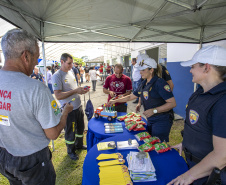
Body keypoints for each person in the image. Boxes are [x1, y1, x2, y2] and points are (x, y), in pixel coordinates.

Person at [0, 28, 73, 185]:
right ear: (26, 56)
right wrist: (65, 112)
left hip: (4, 156)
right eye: (36, 58)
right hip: (32, 161)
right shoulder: (36, 88)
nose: (36, 63)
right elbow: (53, 133)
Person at [168, 45, 226, 185]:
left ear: (206, 67)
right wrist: (186, 144)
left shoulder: (222, 101)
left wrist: (189, 175)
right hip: (193, 165)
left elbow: (222, 155)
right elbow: (200, 126)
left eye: (193, 66)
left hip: (209, 175)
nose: (190, 70)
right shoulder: (200, 92)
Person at [108, 57, 176, 142]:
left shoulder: (160, 83)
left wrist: (154, 110)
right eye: (140, 70)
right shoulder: (144, 83)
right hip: (151, 119)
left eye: (143, 70)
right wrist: (115, 100)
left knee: (159, 145)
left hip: (162, 120)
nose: (140, 72)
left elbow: (172, 103)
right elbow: (131, 96)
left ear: (151, 70)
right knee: (151, 143)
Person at [52, 53, 89, 161]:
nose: (71, 65)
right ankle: (71, 151)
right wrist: (75, 91)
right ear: (62, 62)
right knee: (70, 131)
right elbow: (58, 95)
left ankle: (79, 145)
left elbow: (74, 88)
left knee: (80, 128)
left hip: (78, 106)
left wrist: (80, 90)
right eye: (69, 63)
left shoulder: (71, 71)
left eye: (72, 63)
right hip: (68, 110)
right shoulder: (57, 76)